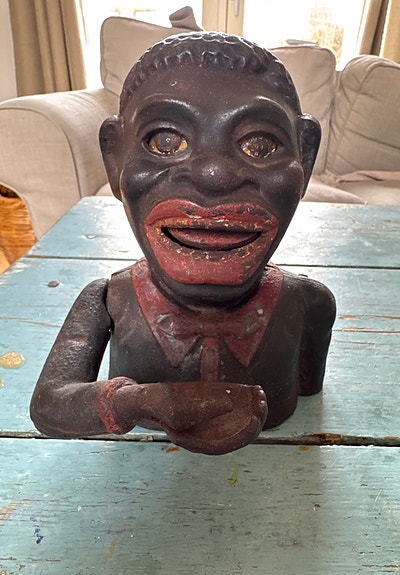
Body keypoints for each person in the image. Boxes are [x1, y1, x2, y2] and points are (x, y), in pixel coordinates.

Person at [30, 32, 336, 455]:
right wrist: (143, 402)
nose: (214, 174)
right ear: (114, 158)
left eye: (260, 145)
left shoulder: (310, 305)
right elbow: (48, 404)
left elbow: (310, 390)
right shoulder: (108, 298)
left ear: (305, 157)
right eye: (165, 142)